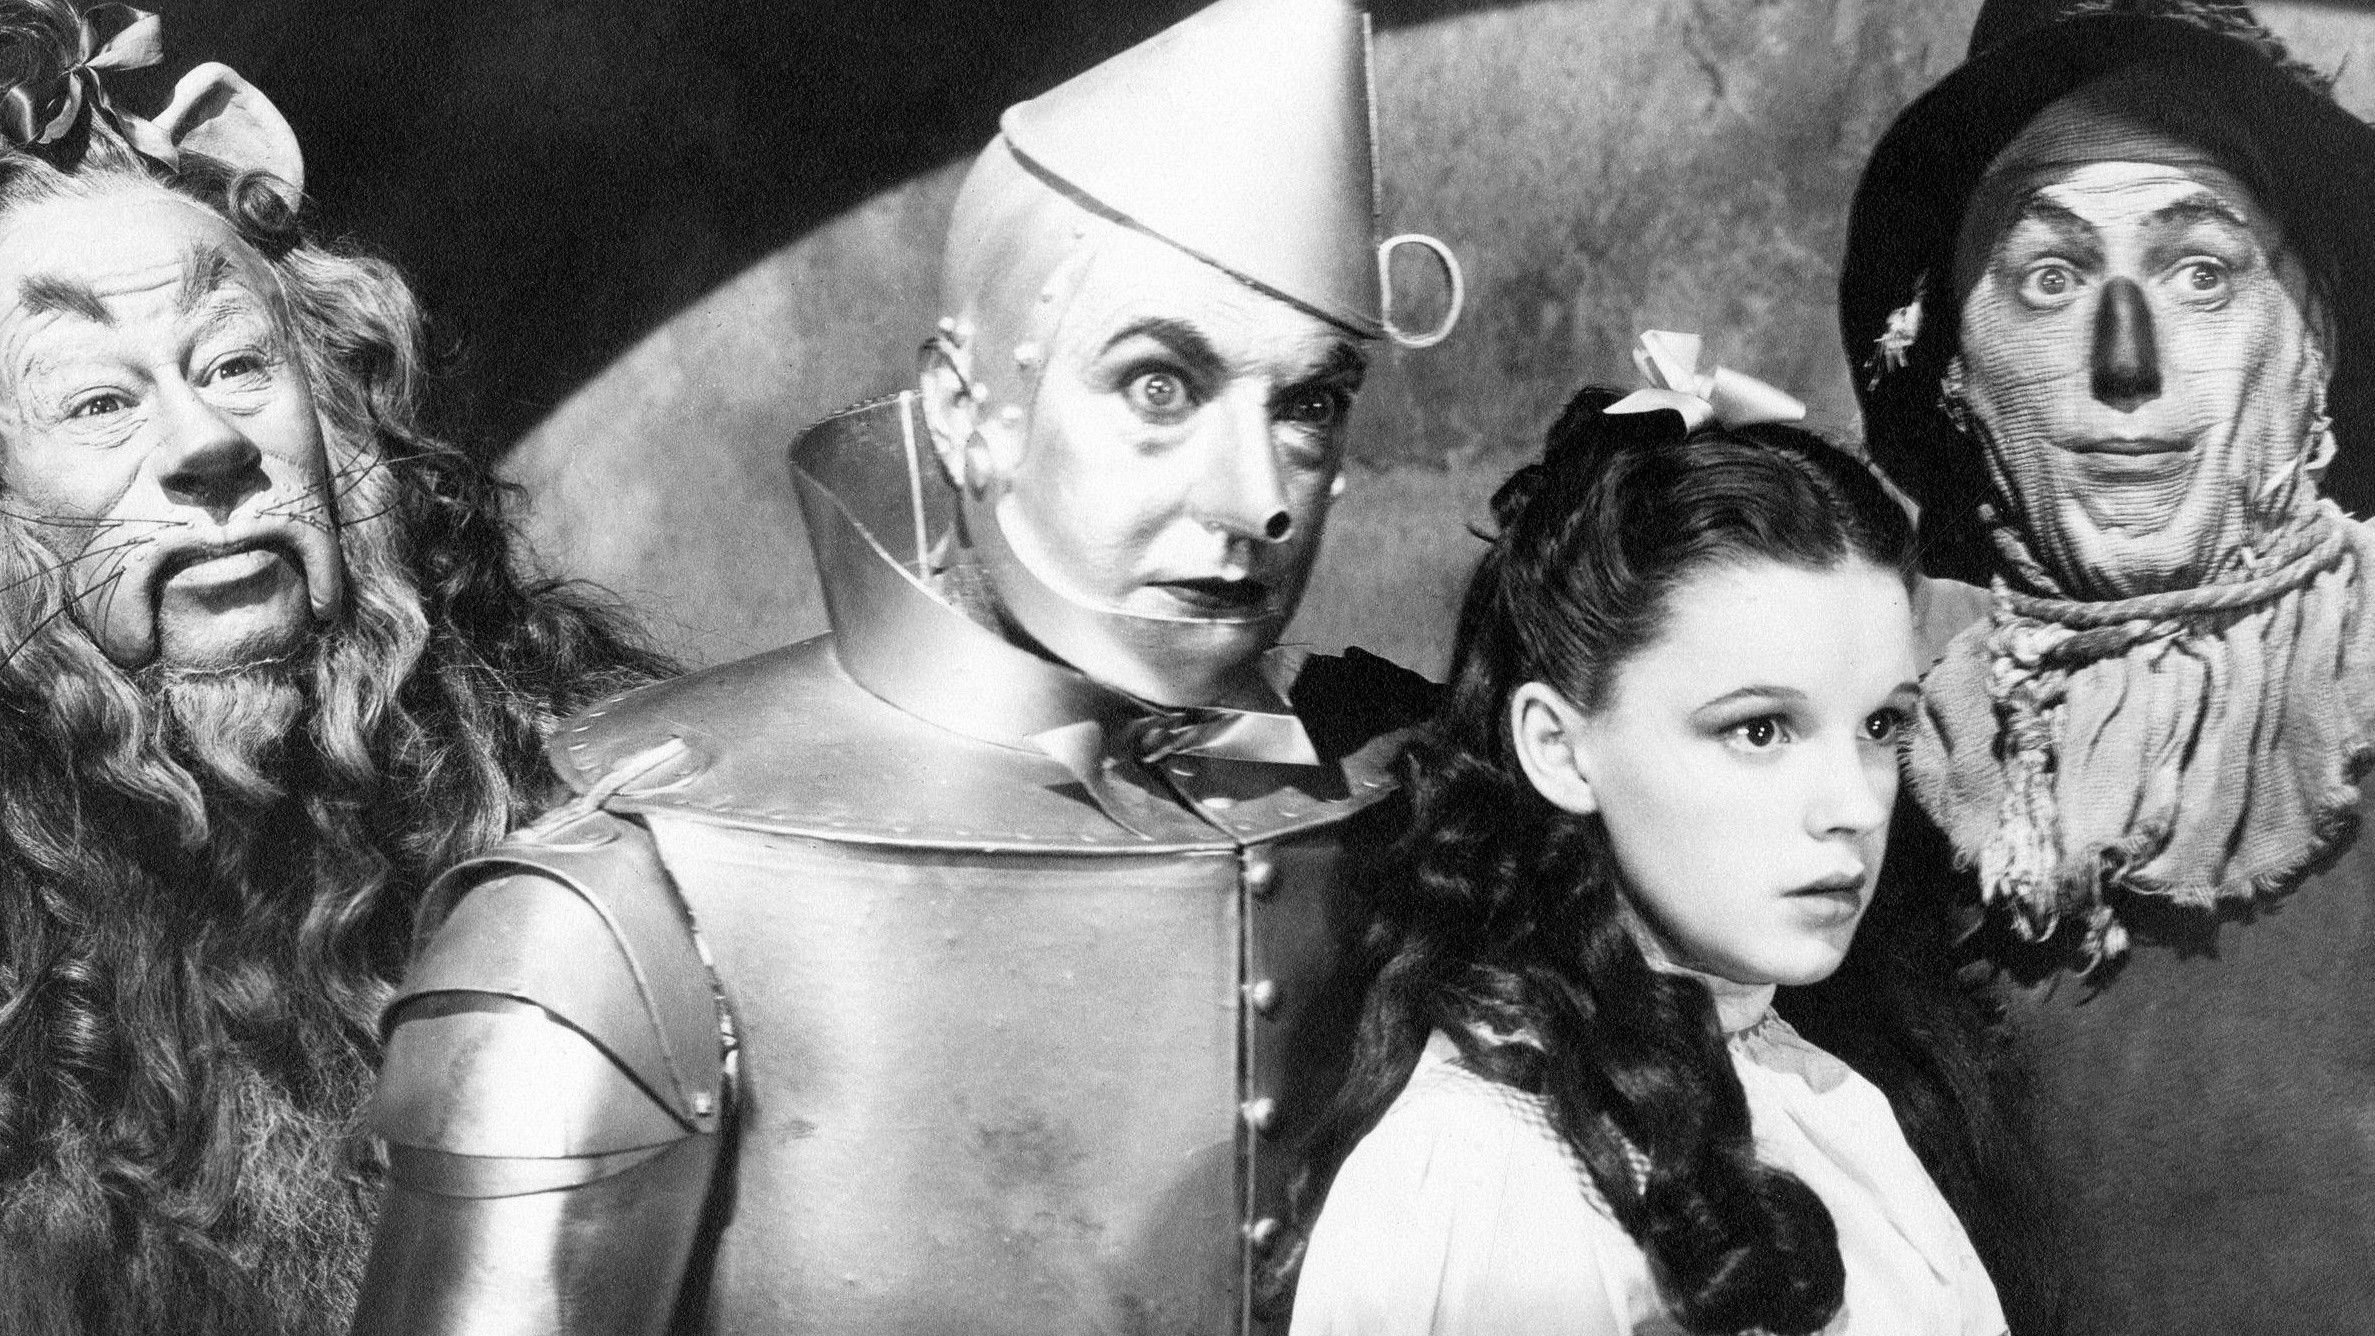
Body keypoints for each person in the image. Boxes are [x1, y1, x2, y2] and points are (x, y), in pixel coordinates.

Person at [350, 0, 1462, 1332]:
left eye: (1309, 403)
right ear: (959, 407)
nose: (1256, 498)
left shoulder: (1390, 810)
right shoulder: (628, 897)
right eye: (1159, 387)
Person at [0, 5, 671, 1334]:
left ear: (340, 420)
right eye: (96, 399)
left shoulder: (599, 796)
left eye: (237, 363)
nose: (206, 443)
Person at [1840, 1, 2375, 1331]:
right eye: (2045, 277)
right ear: (1948, 366)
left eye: (2200, 272)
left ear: (2312, 340)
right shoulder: (1862, 750)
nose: (2122, 361)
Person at [1287, 373, 2009, 1336]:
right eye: (1759, 730)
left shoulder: (1822, 1095)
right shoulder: (1493, 1181)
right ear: (1558, 748)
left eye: (1880, 725)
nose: (1852, 805)